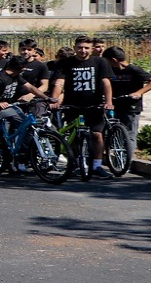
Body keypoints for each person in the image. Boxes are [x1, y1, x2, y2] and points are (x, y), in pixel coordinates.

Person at [0, 56, 49, 178]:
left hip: (7, 108)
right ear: (22, 68)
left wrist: (46, 98)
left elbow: (30, 88)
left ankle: (22, 155)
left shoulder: (16, 76)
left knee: (28, 126)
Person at [49, 36, 115, 179]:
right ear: (74, 48)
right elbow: (59, 83)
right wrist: (54, 99)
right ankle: (77, 163)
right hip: (73, 105)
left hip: (94, 104)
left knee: (97, 135)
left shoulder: (100, 62)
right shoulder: (65, 63)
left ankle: (97, 165)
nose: (83, 51)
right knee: (74, 135)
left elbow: (106, 83)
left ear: (91, 49)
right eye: (80, 47)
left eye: (86, 48)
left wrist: (108, 101)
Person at [103, 46, 151, 153]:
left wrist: (139, 92)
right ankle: (116, 157)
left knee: (130, 134)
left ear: (114, 60)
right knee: (113, 131)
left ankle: (128, 161)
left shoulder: (134, 70)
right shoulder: (112, 70)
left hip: (131, 106)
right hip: (115, 104)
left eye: (107, 61)